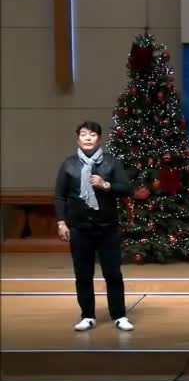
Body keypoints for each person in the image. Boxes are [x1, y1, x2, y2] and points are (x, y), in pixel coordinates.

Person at [54, 121, 134, 332]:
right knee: (83, 275)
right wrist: (61, 222)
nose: (88, 138)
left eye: (92, 134)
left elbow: (127, 188)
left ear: (99, 138)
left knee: (113, 274)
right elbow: (60, 196)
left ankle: (119, 315)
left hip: (108, 228)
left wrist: (105, 184)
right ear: (78, 139)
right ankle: (88, 316)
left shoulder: (111, 162)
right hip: (79, 229)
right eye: (83, 134)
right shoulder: (69, 164)